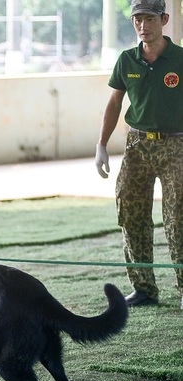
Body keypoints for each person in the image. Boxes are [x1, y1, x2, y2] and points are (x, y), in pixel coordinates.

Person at [95, 0, 183, 309]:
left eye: (149, 18)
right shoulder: (127, 60)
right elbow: (115, 103)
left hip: (177, 146)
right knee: (130, 213)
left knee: (178, 218)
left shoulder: (180, 59)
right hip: (137, 146)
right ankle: (144, 288)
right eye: (137, 19)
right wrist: (102, 145)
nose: (142, 25)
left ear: (164, 19)